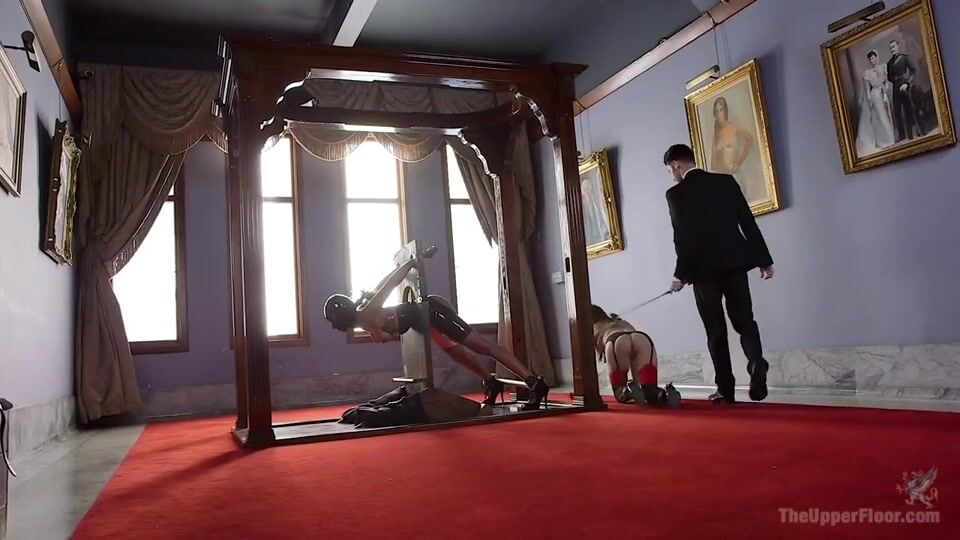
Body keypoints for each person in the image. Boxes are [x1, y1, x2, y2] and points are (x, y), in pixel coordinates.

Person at [323, 249, 550, 411]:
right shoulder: (365, 321)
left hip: (432, 312)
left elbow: (389, 284)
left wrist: (412, 262)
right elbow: (381, 293)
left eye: (335, 322)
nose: (336, 327)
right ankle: (491, 382)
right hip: (424, 323)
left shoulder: (367, 314)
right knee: (456, 353)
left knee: (483, 347)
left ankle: (534, 382)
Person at [663, 144, 774, 404]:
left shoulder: (676, 194)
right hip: (735, 265)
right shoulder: (725, 182)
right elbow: (747, 222)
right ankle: (756, 361)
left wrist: (680, 275)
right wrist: (764, 260)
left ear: (676, 165)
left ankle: (725, 389)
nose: (671, 175)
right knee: (745, 321)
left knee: (715, 331)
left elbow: (682, 238)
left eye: (670, 170)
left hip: (703, 274)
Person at [591, 305, 680, 407]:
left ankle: (628, 390)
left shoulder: (593, 328)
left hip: (615, 340)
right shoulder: (619, 320)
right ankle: (665, 394)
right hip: (641, 338)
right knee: (649, 389)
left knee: (619, 391)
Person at [856, 49, 896, 154]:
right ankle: (883, 142)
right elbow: (867, 89)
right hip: (875, 95)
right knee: (880, 117)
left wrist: (886, 90)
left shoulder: (883, 67)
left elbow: (886, 81)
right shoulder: (867, 73)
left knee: (887, 115)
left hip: (883, 94)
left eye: (873, 58)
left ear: (876, 57)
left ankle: (890, 139)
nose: (872, 60)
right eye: (870, 59)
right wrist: (870, 100)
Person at [886, 39, 921, 142]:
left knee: (908, 110)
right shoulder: (889, 63)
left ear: (898, 46)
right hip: (896, 88)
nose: (892, 49)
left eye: (893, 47)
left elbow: (913, 70)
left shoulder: (904, 57)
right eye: (890, 48)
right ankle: (902, 136)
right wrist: (896, 80)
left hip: (905, 86)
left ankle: (912, 134)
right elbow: (889, 77)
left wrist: (906, 83)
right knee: (897, 111)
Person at [710, 96, 754, 176]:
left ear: (725, 111)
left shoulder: (734, 126)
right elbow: (713, 164)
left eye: (721, 110)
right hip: (721, 176)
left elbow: (749, 139)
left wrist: (739, 161)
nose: (719, 114)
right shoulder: (715, 135)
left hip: (734, 175)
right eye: (716, 111)